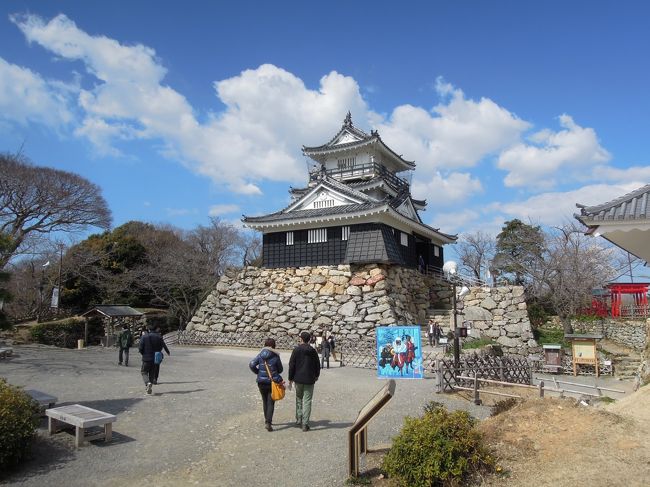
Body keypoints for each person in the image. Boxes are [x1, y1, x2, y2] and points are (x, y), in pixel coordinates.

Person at [249, 338, 284, 432]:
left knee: (264, 401)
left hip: (261, 382)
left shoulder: (260, 355)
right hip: (271, 382)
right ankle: (268, 422)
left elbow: (252, 364)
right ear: (274, 345)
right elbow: (280, 370)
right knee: (271, 402)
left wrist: (258, 372)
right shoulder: (275, 356)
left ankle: (266, 421)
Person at [289, 331, 320, 432]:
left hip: (298, 378)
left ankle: (299, 419)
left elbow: (291, 365)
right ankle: (305, 423)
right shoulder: (313, 350)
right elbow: (317, 365)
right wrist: (316, 375)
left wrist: (290, 378)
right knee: (307, 401)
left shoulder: (296, 350)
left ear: (301, 339)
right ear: (309, 339)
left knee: (299, 398)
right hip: (309, 379)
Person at [138, 324, 165, 395]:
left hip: (146, 357)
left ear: (149, 330)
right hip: (155, 358)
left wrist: (143, 353)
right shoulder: (159, 337)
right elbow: (161, 347)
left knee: (144, 372)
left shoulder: (144, 337)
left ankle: (148, 383)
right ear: (155, 329)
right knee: (152, 373)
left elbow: (140, 347)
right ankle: (149, 386)